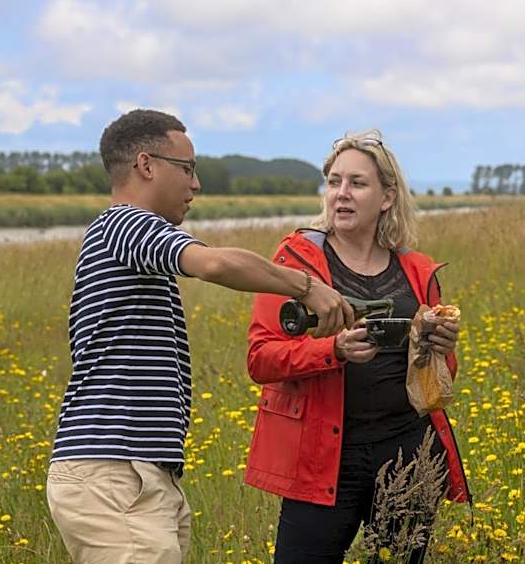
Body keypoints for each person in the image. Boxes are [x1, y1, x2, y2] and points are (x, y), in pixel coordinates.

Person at [46, 109, 354, 564]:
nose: (196, 185)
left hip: (139, 473)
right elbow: (214, 264)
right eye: (187, 169)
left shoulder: (129, 240)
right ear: (146, 166)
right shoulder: (124, 225)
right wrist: (308, 287)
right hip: (114, 472)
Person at [244, 129, 470, 563]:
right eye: (334, 182)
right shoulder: (296, 261)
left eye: (357, 183)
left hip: (407, 453)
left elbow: (439, 378)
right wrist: (334, 351)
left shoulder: (417, 270)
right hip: (324, 459)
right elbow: (261, 359)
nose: (341, 194)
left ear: (386, 197)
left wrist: (440, 348)